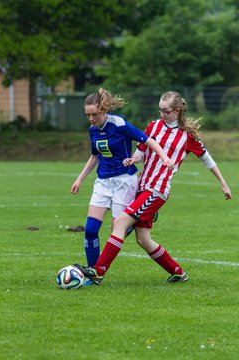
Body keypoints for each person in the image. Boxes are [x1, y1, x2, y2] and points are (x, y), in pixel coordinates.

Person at [74, 90, 232, 285]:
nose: (162, 114)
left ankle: (97, 271)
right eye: (160, 110)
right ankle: (179, 273)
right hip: (142, 187)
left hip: (157, 190)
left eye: (165, 111)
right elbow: (141, 151)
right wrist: (133, 158)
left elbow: (206, 158)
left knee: (121, 223)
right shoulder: (153, 126)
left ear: (176, 110)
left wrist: (223, 182)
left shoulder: (186, 136)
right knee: (143, 239)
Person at [71, 88, 173, 283]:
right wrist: (79, 179)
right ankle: (94, 274)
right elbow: (95, 157)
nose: (91, 119)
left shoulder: (119, 124)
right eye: (88, 115)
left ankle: (142, 216)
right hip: (102, 182)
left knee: (117, 230)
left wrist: (165, 157)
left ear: (104, 110)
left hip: (124, 182)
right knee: (91, 229)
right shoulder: (93, 130)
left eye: (95, 114)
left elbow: (148, 140)